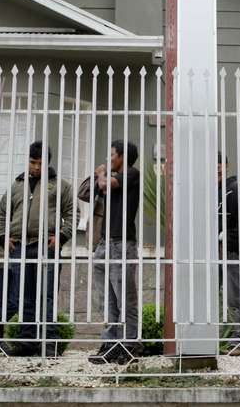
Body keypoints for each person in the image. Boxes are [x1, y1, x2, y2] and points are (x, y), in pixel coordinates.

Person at [0, 142, 73, 356]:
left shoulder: (60, 185)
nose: (36, 167)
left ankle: (49, 344)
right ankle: (27, 343)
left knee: (45, 296)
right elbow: (1, 214)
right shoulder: (17, 185)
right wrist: (2, 237)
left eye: (40, 163)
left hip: (47, 245)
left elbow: (73, 213)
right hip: (20, 246)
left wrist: (62, 236)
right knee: (24, 297)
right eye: (32, 162)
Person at [88, 140, 141, 365]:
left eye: (112, 155)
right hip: (104, 242)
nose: (108, 159)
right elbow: (87, 192)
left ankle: (129, 344)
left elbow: (105, 184)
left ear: (122, 157)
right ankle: (111, 343)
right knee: (106, 298)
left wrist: (101, 172)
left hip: (122, 243)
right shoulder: (111, 175)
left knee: (124, 298)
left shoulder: (131, 174)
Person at [216, 152, 240, 356]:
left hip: (232, 250)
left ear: (226, 166)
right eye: (213, 164)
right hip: (216, 252)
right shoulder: (215, 192)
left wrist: (225, 240)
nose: (217, 167)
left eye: (220, 163)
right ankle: (230, 338)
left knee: (236, 296)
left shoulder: (235, 189)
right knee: (224, 298)